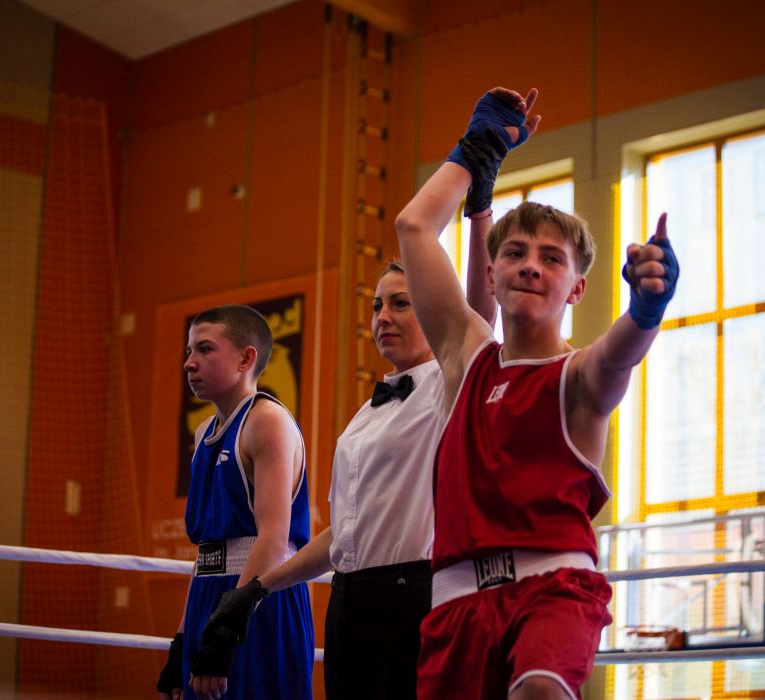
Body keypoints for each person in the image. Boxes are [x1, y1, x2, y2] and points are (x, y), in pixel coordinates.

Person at [393, 87, 679, 699]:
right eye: (516, 253)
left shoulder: (577, 377)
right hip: (455, 604)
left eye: (552, 259)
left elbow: (619, 354)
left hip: (554, 587)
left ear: (576, 288)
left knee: (540, 691)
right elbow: (414, 227)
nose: (530, 265)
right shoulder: (467, 359)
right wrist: (474, 151)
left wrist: (647, 309)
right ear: (490, 274)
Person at [191, 237, 498, 698]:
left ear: (434, 312)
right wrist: (255, 590)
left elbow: (478, 317)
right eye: (377, 306)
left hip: (415, 594)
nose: (383, 316)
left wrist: (478, 213)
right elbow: (343, 536)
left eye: (400, 303)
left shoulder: (448, 387)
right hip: (349, 601)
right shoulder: (364, 418)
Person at [156, 305, 314, 700]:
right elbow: (208, 552)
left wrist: (226, 630)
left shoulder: (267, 422)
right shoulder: (203, 433)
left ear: (246, 359)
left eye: (205, 349)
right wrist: (182, 637)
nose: (189, 363)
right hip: (210, 597)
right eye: (189, 351)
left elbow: (273, 538)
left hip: (260, 597)